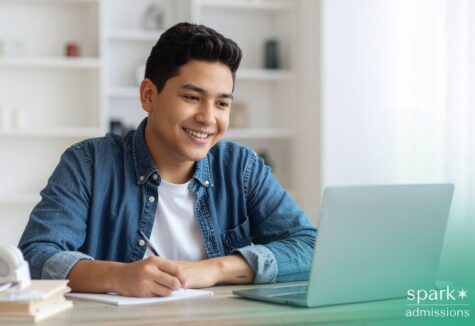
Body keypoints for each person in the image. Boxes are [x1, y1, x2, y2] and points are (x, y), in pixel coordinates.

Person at [18, 22, 316, 297]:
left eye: (222, 103)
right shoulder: (89, 164)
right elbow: (35, 255)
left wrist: (216, 268)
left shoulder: (241, 168)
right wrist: (117, 276)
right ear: (149, 95)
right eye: (191, 97)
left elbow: (309, 246)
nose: (207, 118)